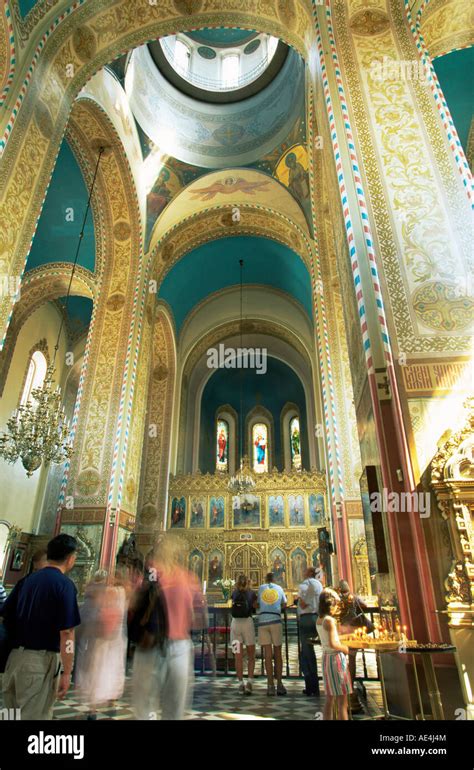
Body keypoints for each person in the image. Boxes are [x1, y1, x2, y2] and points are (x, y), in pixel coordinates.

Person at [2, 534, 81, 719]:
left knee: (11, 715)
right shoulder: (65, 585)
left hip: (14, 659)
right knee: (34, 716)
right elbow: (67, 633)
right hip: (39, 663)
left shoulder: (26, 581)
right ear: (70, 558)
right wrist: (67, 671)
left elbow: (4, 616)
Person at [132, 535, 204, 720]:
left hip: (150, 646)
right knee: (174, 709)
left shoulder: (150, 575)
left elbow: (134, 607)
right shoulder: (188, 578)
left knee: (145, 708)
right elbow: (198, 618)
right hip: (179, 646)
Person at [75, 570, 127, 719]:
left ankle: (94, 705)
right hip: (105, 637)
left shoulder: (95, 592)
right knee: (103, 668)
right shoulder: (114, 592)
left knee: (96, 668)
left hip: (97, 638)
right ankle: (105, 700)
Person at [316, 588, 352, 720]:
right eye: (336, 604)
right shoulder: (329, 621)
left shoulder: (319, 620)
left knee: (329, 698)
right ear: (330, 605)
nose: (337, 607)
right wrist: (345, 649)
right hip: (335, 660)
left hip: (326, 658)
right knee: (342, 701)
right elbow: (333, 644)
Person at [338, 579, 372, 713]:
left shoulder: (338, 599)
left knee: (341, 658)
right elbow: (365, 606)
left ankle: (343, 687)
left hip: (342, 630)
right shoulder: (354, 597)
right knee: (351, 658)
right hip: (354, 630)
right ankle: (350, 686)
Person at [257, 572, 287, 696]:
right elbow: (284, 604)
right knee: (278, 653)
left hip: (263, 621)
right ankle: (279, 684)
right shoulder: (279, 588)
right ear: (274, 580)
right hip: (275, 621)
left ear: (265, 579)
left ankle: (270, 685)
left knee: (267, 655)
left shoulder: (261, 588)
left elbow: (257, 603)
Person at [297, 566, 322, 696]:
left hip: (306, 618)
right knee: (312, 651)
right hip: (317, 619)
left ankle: (311, 686)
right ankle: (316, 685)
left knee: (307, 653)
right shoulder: (319, 584)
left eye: (304, 571)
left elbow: (302, 603)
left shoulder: (305, 584)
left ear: (309, 573)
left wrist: (301, 602)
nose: (302, 572)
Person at [230, 575, 257, 695]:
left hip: (235, 624)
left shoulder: (234, 593)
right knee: (251, 654)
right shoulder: (251, 593)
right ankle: (249, 682)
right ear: (248, 582)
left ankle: (240, 683)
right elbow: (255, 606)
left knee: (238, 656)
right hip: (247, 623)